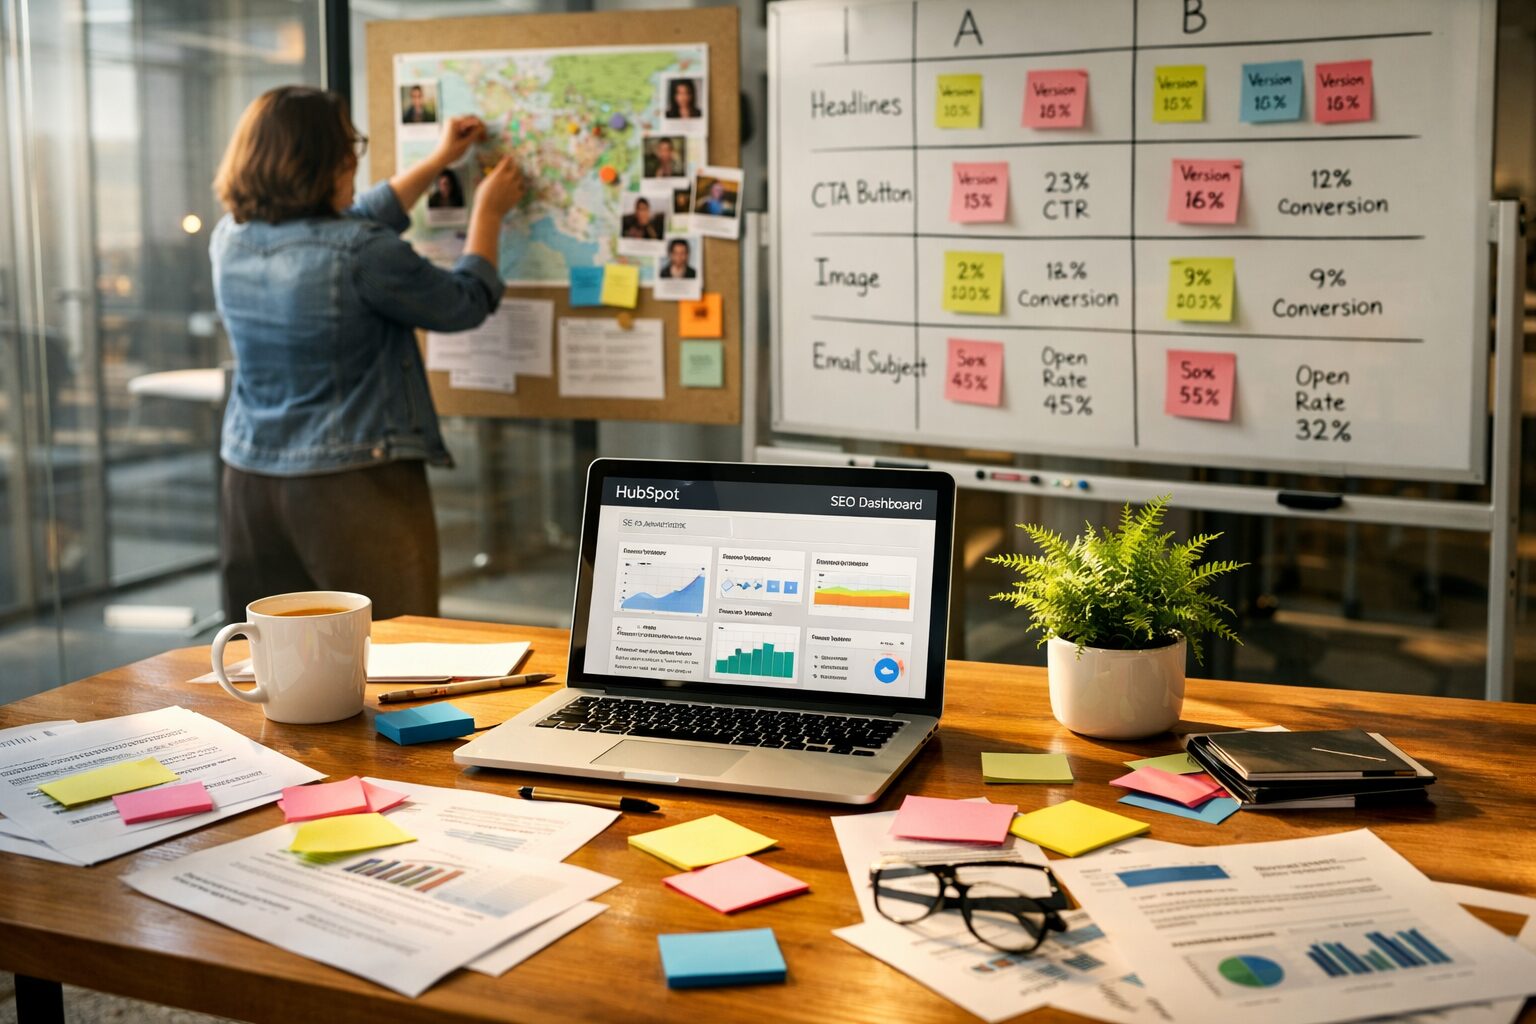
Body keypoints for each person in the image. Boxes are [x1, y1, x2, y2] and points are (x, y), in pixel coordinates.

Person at [210, 86, 523, 619]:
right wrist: (489, 214)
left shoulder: (230, 237)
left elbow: (345, 222)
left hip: (251, 481)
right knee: (390, 645)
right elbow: (463, 304)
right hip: (353, 488)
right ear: (322, 160)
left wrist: (440, 161)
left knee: (271, 653)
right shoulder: (362, 252)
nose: (355, 159)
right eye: (348, 146)